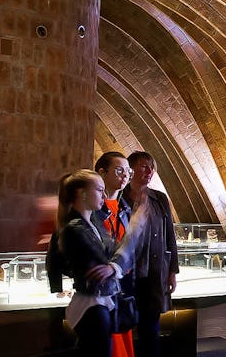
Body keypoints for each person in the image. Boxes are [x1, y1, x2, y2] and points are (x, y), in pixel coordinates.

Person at [53, 169, 138, 357]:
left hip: (101, 301)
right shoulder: (74, 229)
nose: (104, 195)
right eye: (100, 190)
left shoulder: (94, 224)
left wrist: (113, 266)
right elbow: (110, 256)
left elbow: (123, 253)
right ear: (82, 194)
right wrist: (115, 264)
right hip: (91, 305)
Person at [122, 151, 178, 357]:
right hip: (128, 273)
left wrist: (172, 270)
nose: (149, 171)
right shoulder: (120, 198)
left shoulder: (160, 199)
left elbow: (169, 237)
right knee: (124, 325)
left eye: (151, 167)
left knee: (150, 329)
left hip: (154, 274)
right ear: (131, 170)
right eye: (144, 166)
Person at [95, 151, 137, 357]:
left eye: (127, 172)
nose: (124, 176)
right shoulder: (92, 209)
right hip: (102, 287)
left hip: (122, 285)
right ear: (102, 173)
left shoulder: (124, 208)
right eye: (119, 171)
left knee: (122, 333)